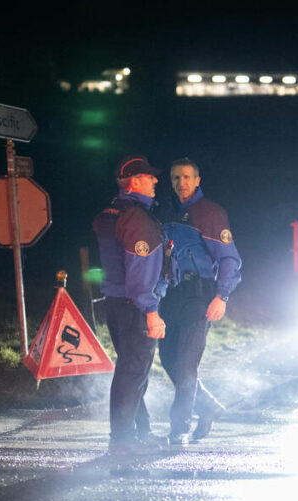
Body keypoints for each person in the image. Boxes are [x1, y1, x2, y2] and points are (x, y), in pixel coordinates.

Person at [150, 157, 241, 445]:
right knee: (167, 359)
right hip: (172, 295)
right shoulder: (166, 212)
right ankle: (209, 406)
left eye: (187, 177)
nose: (181, 183)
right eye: (176, 178)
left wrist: (221, 296)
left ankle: (178, 430)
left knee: (187, 365)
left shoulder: (210, 213)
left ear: (197, 180)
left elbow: (230, 259)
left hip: (200, 295)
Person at [92, 155, 168, 456]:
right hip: (135, 304)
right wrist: (151, 311)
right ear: (135, 181)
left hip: (115, 301)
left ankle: (140, 431)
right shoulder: (136, 218)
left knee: (132, 370)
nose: (156, 181)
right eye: (150, 177)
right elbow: (140, 270)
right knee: (133, 371)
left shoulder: (112, 211)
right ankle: (122, 439)